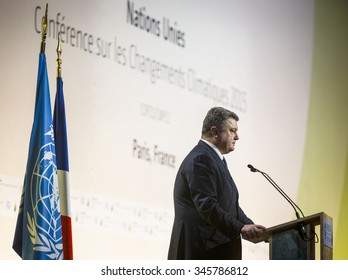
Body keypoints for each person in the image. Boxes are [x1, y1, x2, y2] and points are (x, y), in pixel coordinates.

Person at [167, 107, 266, 260]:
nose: (237, 136)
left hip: (215, 250)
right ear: (214, 132)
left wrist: (250, 226)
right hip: (202, 252)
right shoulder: (201, 158)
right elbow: (207, 206)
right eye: (232, 130)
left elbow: (229, 205)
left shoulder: (214, 158)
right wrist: (240, 228)